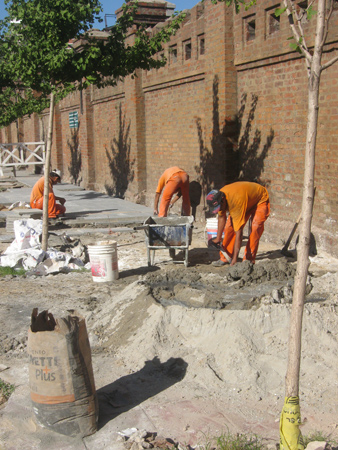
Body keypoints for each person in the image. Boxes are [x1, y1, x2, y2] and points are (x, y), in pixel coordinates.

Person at [206, 181, 270, 266]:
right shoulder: (219, 197)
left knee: (255, 227)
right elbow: (221, 217)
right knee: (230, 228)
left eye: (219, 207)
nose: (219, 209)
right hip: (246, 200)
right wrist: (218, 238)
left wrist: (235, 260)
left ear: (223, 200)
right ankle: (226, 257)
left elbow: (239, 233)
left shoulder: (235, 202)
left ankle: (248, 260)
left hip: (260, 199)